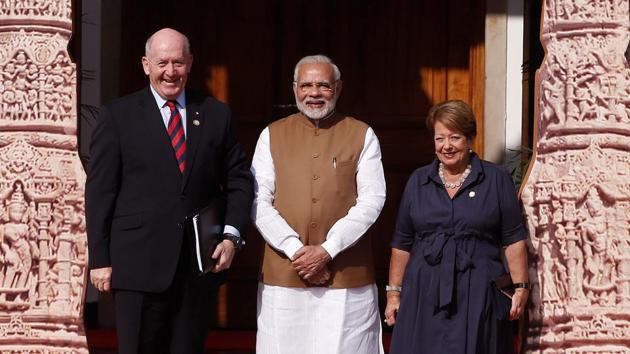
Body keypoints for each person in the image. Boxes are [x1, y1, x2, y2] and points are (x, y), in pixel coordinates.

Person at [85, 28, 253, 354]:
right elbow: (100, 192)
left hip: (195, 269)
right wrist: (100, 259)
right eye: (162, 62)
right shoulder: (117, 116)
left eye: (178, 62)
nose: (170, 71)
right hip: (136, 268)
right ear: (146, 64)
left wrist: (231, 237)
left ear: (190, 63)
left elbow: (239, 180)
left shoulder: (217, 114)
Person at [251, 55, 386, 354]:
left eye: (323, 85)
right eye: (307, 85)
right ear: (295, 88)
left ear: (338, 88)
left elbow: (372, 200)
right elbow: (258, 200)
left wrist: (327, 250)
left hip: (345, 275)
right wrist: (297, 252)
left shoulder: (362, 134)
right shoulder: (271, 135)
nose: (314, 92)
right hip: (285, 272)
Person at [384, 100, 529, 354]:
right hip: (423, 291)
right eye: (440, 138)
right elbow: (402, 243)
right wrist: (393, 294)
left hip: (478, 289)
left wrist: (520, 287)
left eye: (455, 137)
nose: (447, 146)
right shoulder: (418, 181)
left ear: (471, 138)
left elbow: (512, 238)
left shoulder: (496, 179)